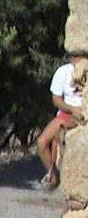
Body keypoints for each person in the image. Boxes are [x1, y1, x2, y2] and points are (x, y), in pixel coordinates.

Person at [36, 55, 85, 191]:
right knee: (42, 142)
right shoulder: (63, 72)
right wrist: (71, 109)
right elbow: (56, 99)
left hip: (84, 114)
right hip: (67, 113)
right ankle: (53, 175)